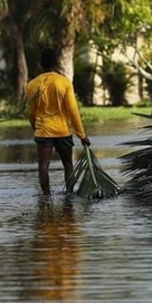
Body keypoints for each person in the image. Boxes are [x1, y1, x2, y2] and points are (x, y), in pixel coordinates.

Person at [26, 48, 91, 195]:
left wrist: (35, 127)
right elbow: (73, 111)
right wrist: (82, 135)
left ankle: (46, 195)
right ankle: (69, 192)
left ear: (40, 65)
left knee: (43, 166)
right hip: (62, 130)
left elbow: (31, 112)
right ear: (56, 63)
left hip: (43, 130)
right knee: (68, 164)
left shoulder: (32, 85)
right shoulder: (64, 82)